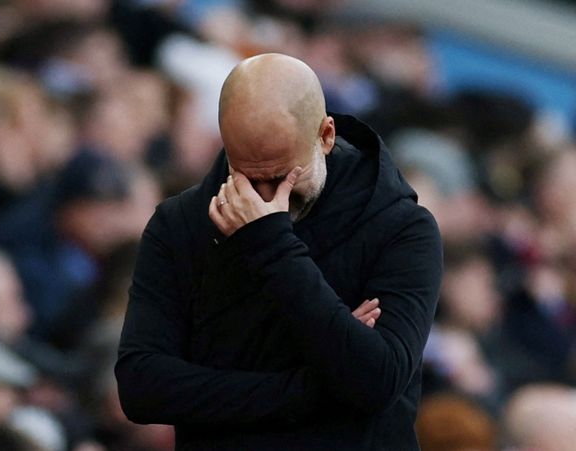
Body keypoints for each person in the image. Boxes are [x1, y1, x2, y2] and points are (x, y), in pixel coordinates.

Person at [116, 53, 442, 450]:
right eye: (248, 177)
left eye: (283, 177)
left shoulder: (401, 228)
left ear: (326, 136)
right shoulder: (181, 223)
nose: (268, 200)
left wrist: (270, 245)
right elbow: (141, 386)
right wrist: (316, 387)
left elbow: (377, 381)